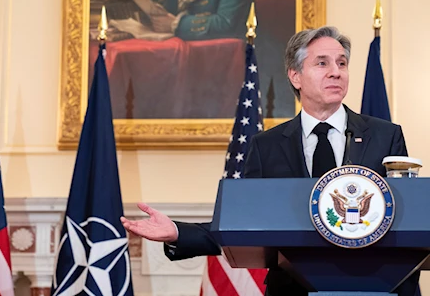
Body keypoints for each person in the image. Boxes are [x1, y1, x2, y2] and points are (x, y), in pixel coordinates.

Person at [121, 26, 420, 296]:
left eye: (341, 63)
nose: (336, 72)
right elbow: (243, 224)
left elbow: (406, 219)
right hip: (292, 290)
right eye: (322, 63)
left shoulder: (384, 136)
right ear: (295, 75)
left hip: (375, 286)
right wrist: (178, 231)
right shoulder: (266, 146)